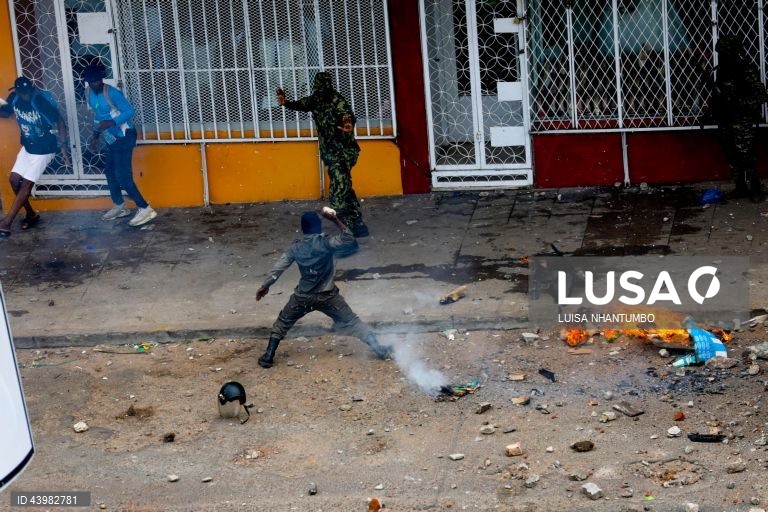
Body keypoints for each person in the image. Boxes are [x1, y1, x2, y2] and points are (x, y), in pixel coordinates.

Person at [255, 208, 390, 368]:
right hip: (328, 296)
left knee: (283, 322)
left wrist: (265, 286)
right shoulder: (326, 243)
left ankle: (268, 355)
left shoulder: (296, 248)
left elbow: (278, 268)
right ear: (319, 227)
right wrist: (335, 219)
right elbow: (348, 238)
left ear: (303, 228)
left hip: (303, 297)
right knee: (353, 322)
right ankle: (379, 349)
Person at [277, 73, 369, 238]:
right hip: (329, 152)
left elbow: (346, 114)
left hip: (344, 151)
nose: (320, 91)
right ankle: (357, 222)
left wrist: (348, 124)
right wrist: (286, 103)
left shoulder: (337, 100)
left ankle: (345, 224)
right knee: (343, 183)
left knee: (339, 185)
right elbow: (302, 104)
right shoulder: (315, 100)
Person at [83, 63, 157, 226]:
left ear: (101, 79)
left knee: (123, 175)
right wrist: (95, 136)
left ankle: (145, 208)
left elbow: (130, 111)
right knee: (109, 172)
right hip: (111, 138)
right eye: (92, 81)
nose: (95, 84)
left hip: (125, 136)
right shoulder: (88, 93)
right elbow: (98, 116)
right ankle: (120, 205)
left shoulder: (112, 93)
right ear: (87, 82)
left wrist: (112, 122)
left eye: (98, 81)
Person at [0, 76, 67, 237]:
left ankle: (6, 223)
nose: (25, 96)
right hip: (28, 146)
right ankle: (31, 215)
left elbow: (60, 121)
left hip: (44, 148)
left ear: (31, 89)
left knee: (25, 186)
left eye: (27, 92)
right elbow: (6, 113)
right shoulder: (14, 97)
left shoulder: (40, 101)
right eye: (22, 93)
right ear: (16, 91)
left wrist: (63, 146)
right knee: (14, 180)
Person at [713, 35, 768, 203]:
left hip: (741, 120)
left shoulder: (744, 69)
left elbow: (761, 95)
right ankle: (740, 187)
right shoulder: (721, 70)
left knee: (747, 156)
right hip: (726, 119)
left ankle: (755, 188)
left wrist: (739, 103)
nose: (722, 55)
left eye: (724, 51)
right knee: (731, 156)